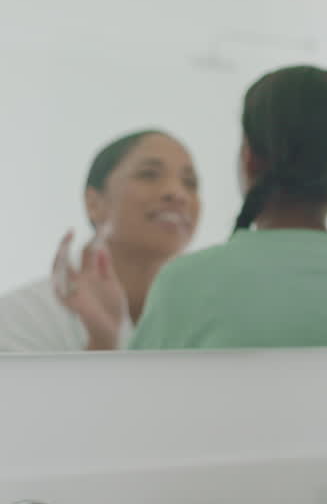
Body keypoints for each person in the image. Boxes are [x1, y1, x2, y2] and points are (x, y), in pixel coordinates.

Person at [125, 65, 327, 349]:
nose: (174, 194)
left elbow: (136, 392)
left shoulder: (184, 284)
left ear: (249, 157)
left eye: (189, 181)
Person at [0, 130, 200, 352]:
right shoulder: (22, 316)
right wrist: (102, 341)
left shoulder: (213, 311)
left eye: (190, 183)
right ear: (94, 202)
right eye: (149, 175)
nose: (177, 193)